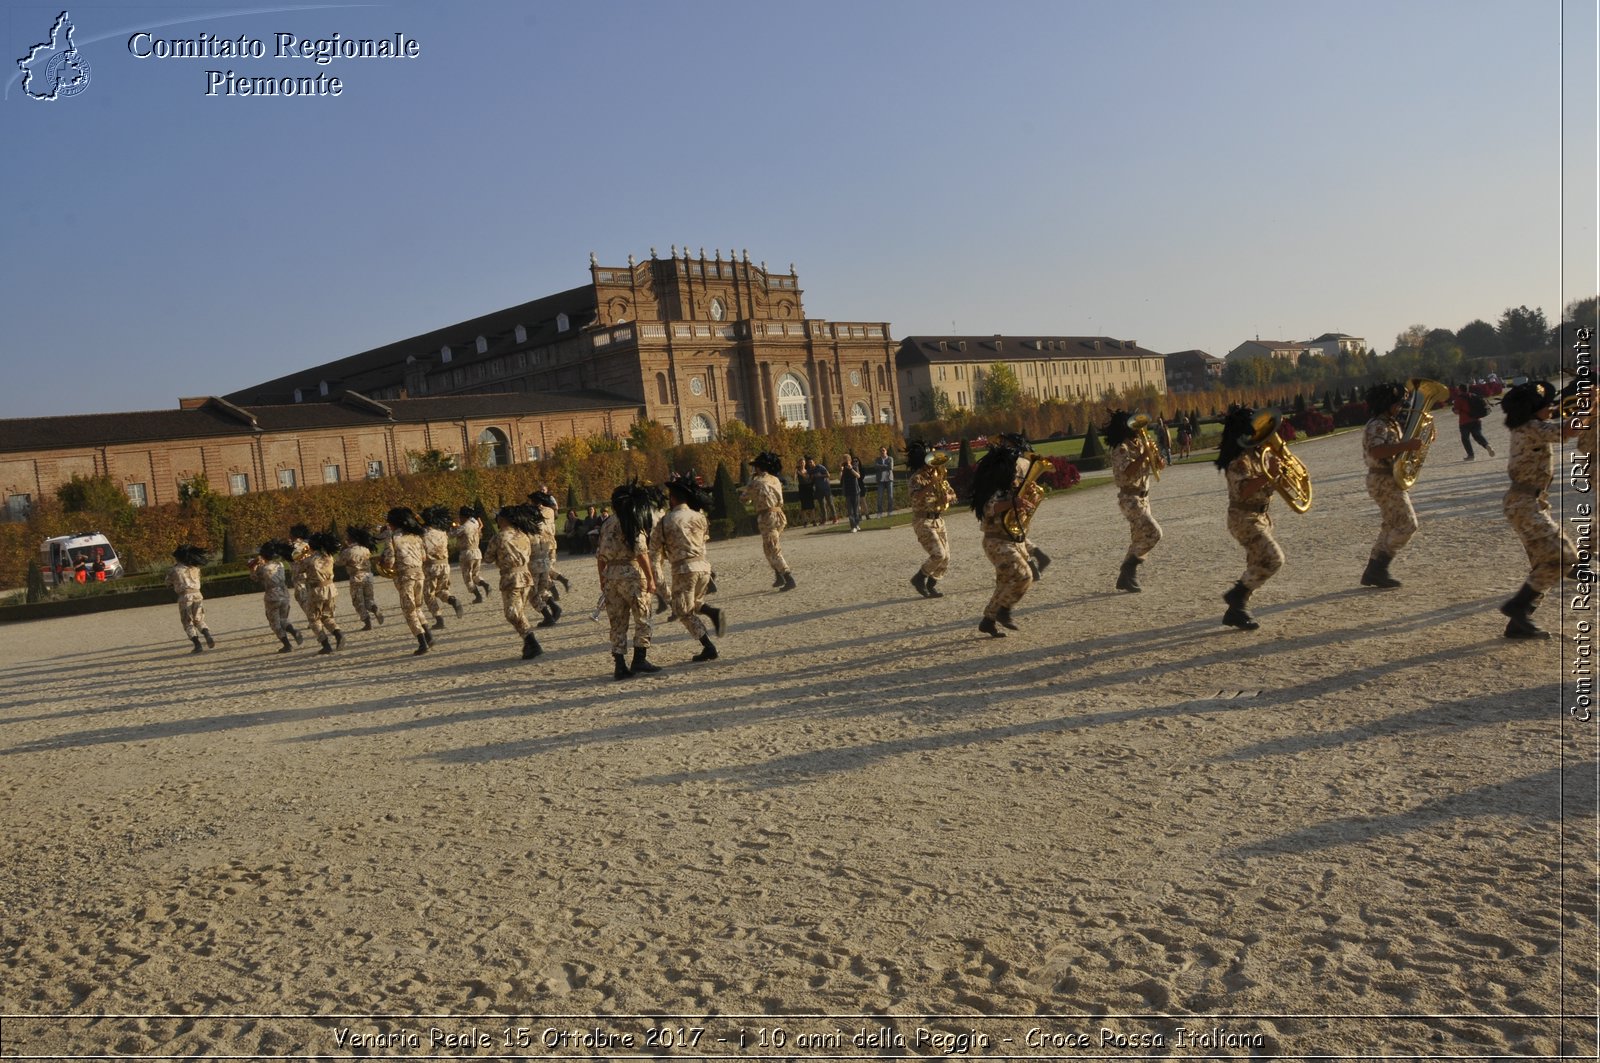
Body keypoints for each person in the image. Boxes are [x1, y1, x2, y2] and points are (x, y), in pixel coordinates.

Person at [1499, 381, 1581, 639]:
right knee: (1564, 557)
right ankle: (1518, 608)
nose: (1552, 409)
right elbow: (1567, 430)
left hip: (1529, 502)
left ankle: (1518, 623)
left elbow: (1557, 423)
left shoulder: (1529, 425)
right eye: (1547, 406)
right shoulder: (1532, 428)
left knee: (1545, 563)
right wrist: (1590, 411)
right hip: (1524, 503)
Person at [1216, 405, 1283, 631]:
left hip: (1261, 516)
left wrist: (1280, 475)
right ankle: (1236, 596)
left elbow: (1271, 485)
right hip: (1243, 517)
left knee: (1256, 564)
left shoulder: (1260, 454)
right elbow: (1244, 489)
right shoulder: (1238, 459)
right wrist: (1269, 474)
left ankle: (1236, 611)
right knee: (1274, 558)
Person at [1360, 382, 1424, 589]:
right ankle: (1379, 567)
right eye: (1397, 403)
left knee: (1390, 525)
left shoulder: (1389, 423)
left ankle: (1374, 571)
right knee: (1407, 525)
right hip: (1383, 479)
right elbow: (1376, 451)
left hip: (1388, 478)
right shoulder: (1378, 425)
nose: (1401, 406)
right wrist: (1406, 445)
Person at [971, 435, 1037, 636]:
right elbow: (990, 507)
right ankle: (1004, 611)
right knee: (1024, 576)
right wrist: (1013, 503)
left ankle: (988, 620)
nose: (1020, 473)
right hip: (996, 540)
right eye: (1017, 471)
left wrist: (1028, 497)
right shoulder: (997, 487)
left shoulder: (1014, 487)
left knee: (1004, 583)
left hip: (1012, 539)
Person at [596, 481, 662, 679]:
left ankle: (620, 665)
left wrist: (602, 578)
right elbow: (641, 553)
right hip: (632, 573)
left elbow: (600, 556)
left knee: (617, 622)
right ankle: (639, 659)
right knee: (643, 616)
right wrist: (650, 578)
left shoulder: (607, 523)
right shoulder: (631, 520)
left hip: (611, 575)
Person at [661, 472, 725, 661]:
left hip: (683, 570)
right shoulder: (699, 517)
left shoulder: (666, 520)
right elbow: (704, 540)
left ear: (672, 499)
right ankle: (712, 612)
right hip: (703, 567)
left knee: (682, 610)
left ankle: (709, 647)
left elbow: (655, 550)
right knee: (693, 602)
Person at [1105, 410, 1163, 592]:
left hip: (1144, 497)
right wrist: (1145, 455)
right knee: (1154, 533)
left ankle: (1126, 577)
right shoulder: (1121, 448)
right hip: (1130, 498)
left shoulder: (1138, 444)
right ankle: (1128, 568)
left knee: (1138, 539)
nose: (1140, 429)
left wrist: (1157, 460)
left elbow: (1153, 465)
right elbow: (1127, 472)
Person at [482, 505, 543, 659]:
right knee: (518, 612)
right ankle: (529, 643)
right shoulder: (523, 534)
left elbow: (488, 559)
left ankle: (532, 642)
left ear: (502, 519)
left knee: (512, 613)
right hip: (525, 576)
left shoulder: (499, 537)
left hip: (510, 578)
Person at [906, 441, 957, 599]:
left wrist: (948, 497)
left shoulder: (940, 475)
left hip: (939, 520)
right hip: (923, 521)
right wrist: (930, 485)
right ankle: (919, 578)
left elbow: (954, 495)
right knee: (938, 554)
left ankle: (931, 584)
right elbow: (915, 497)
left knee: (946, 557)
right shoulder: (917, 478)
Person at [740, 451, 796, 590]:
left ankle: (788, 577)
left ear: (758, 468)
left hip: (766, 517)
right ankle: (779, 575)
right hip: (779, 515)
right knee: (768, 547)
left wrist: (750, 483)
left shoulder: (756, 482)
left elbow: (744, 499)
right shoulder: (775, 479)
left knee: (772, 548)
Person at [384, 506, 433, 655]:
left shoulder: (393, 539)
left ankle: (422, 642)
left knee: (409, 610)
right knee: (417, 608)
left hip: (405, 577)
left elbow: (389, 563)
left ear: (393, 524)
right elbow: (424, 557)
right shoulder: (416, 537)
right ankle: (429, 635)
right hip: (420, 575)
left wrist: (382, 563)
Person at [297, 532, 345, 654]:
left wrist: (302, 557)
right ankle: (338, 634)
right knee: (327, 616)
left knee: (313, 619)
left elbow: (299, 570)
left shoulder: (309, 560)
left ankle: (325, 644)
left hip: (316, 591)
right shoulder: (329, 557)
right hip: (331, 589)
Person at [250, 540, 302, 653]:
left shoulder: (263, 568)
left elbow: (254, 578)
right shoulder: (280, 565)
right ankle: (293, 631)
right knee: (283, 619)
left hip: (272, 596)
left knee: (274, 623)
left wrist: (253, 568)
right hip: (284, 593)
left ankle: (287, 645)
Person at [421, 506, 465, 628]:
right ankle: (452, 600)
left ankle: (439, 619)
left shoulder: (423, 535)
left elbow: (422, 555)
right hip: (445, 565)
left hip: (431, 566)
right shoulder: (442, 533)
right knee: (441, 590)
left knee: (428, 594)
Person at [166, 544, 214, 654]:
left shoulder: (175, 570)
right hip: (198, 595)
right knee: (199, 619)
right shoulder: (196, 568)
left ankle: (197, 645)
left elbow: (167, 582)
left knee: (187, 622)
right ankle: (207, 635)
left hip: (185, 597)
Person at [339, 525, 384, 629]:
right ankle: (375, 608)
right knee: (369, 599)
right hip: (368, 576)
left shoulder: (348, 551)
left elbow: (339, 562)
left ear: (350, 539)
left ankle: (367, 623)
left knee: (358, 601)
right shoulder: (365, 549)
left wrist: (344, 548)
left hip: (356, 577)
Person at [453, 506, 492, 603]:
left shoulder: (464, 526)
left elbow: (453, 534)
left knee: (467, 577)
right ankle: (485, 584)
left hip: (467, 553)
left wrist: (455, 527)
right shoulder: (475, 523)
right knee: (475, 574)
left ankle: (478, 596)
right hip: (477, 552)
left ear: (463, 516)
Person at [1452, 384, 1496, 461]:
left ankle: (1471, 455)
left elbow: (1457, 411)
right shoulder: (1473, 395)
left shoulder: (1458, 399)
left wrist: (1453, 409)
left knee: (1465, 438)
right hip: (1476, 420)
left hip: (1464, 422)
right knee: (1478, 435)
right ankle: (1487, 445)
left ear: (1460, 390)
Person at [840, 454, 864, 532]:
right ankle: (853, 526)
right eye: (844, 459)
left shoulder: (854, 466)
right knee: (850, 510)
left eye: (846, 459)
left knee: (856, 509)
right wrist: (841, 471)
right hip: (847, 491)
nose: (845, 461)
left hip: (855, 490)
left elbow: (858, 476)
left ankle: (857, 524)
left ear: (849, 460)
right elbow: (841, 479)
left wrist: (851, 469)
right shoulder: (843, 468)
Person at [811, 457, 837, 525]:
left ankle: (835, 518)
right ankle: (824, 519)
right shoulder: (811, 470)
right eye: (809, 463)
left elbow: (828, 475)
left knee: (830, 503)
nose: (810, 464)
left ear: (814, 462)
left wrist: (820, 475)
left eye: (811, 462)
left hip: (826, 488)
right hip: (818, 489)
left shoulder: (820, 467)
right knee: (822, 505)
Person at [875, 446, 895, 517]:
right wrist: (885, 466)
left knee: (890, 496)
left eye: (883, 450)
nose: (882, 452)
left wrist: (881, 466)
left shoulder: (890, 458)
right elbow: (876, 467)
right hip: (881, 480)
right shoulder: (877, 459)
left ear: (886, 451)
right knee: (879, 497)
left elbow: (891, 468)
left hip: (889, 479)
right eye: (881, 451)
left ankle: (890, 511)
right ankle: (879, 512)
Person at [797, 458, 816, 527]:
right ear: (799, 463)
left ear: (805, 463)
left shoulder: (808, 471)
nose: (802, 464)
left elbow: (810, 479)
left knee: (811, 505)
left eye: (803, 462)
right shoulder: (797, 471)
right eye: (801, 462)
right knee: (803, 506)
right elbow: (794, 479)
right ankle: (805, 521)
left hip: (809, 488)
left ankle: (813, 520)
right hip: (802, 488)